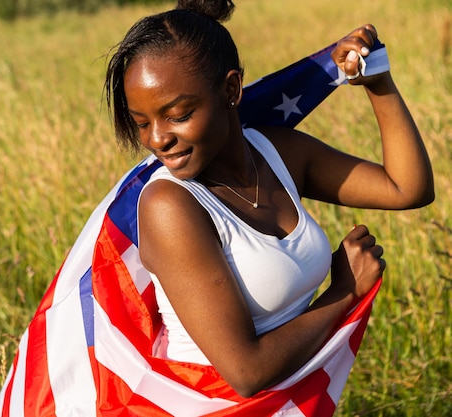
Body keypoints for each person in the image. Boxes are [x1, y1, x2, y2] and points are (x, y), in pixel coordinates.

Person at [103, 0, 434, 399]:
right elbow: (246, 371)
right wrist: (344, 291)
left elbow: (406, 189)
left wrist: (377, 82)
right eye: (142, 123)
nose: (157, 139)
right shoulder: (170, 206)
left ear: (230, 89)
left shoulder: (277, 152)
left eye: (178, 114)